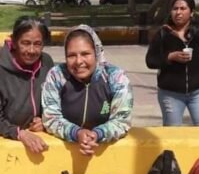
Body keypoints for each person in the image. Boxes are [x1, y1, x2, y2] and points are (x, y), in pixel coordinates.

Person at [42, 25, 133, 156]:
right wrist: (76, 133)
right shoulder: (57, 76)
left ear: (96, 53)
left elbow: (122, 120)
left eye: (85, 54)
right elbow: (50, 117)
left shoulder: (115, 78)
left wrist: (97, 134)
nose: (79, 61)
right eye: (72, 55)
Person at [145, 0, 199, 126]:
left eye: (183, 8)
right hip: (170, 93)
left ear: (191, 12)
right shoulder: (163, 33)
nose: (178, 12)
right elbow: (150, 60)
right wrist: (170, 57)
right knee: (172, 135)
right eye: (175, 9)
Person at [0, 16, 54, 154]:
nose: (32, 50)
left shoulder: (46, 63)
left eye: (38, 44)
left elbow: (55, 103)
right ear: (14, 42)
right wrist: (18, 133)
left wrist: (45, 121)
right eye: (26, 43)